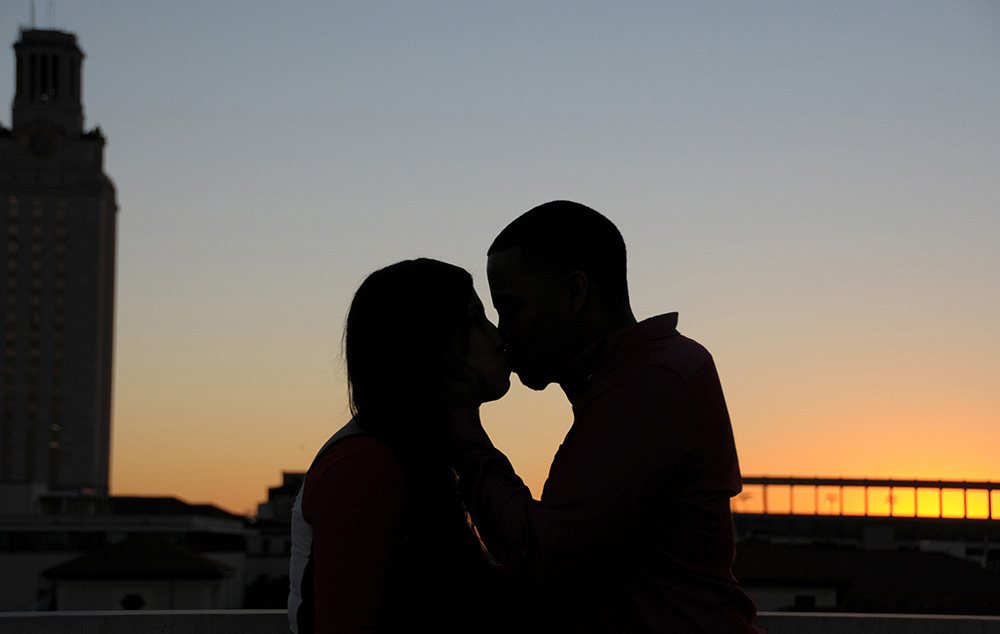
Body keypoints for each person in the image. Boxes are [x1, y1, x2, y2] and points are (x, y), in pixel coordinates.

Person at [448, 201, 766, 633]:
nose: (503, 334)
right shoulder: (653, 372)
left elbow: (540, 554)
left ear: (575, 292)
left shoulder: (650, 383)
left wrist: (460, 427)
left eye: (511, 308)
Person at [288, 258, 521, 634]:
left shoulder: (413, 456)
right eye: (476, 321)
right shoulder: (364, 465)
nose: (498, 337)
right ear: (431, 343)